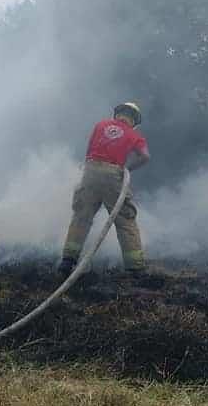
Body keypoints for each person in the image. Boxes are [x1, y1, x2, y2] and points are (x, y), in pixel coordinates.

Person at [59, 102, 150, 277]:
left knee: (81, 216)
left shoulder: (100, 125)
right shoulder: (134, 135)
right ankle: (136, 268)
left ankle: (67, 261)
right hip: (113, 175)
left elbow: (89, 148)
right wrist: (128, 168)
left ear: (117, 114)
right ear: (134, 119)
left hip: (90, 171)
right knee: (125, 219)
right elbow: (145, 156)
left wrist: (88, 166)